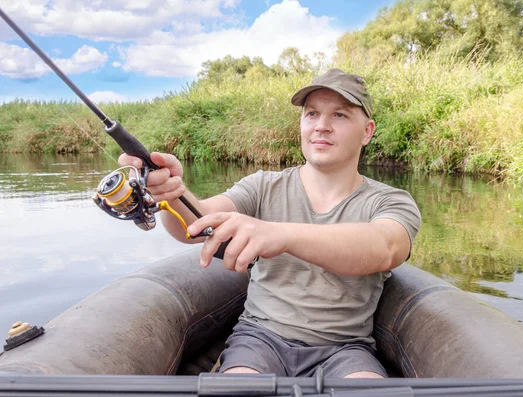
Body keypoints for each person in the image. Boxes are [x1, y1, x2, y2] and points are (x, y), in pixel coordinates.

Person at [119, 69, 421, 378]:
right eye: (312, 114)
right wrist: (173, 191)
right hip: (260, 339)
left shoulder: (391, 201)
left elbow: (385, 247)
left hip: (346, 349)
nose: (321, 126)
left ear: (367, 131)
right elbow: (196, 224)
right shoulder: (263, 185)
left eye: (340, 115)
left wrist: (280, 234)